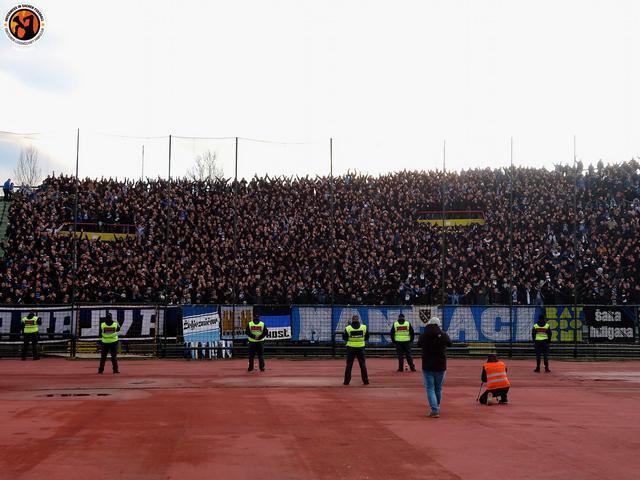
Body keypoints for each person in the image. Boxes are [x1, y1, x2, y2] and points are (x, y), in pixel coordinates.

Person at [417, 317, 452, 418]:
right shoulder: (443, 334)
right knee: (438, 388)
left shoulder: (424, 335)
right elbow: (450, 343)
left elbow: (418, 344)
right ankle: (437, 406)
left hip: (427, 365)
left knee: (430, 388)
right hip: (441, 365)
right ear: (438, 324)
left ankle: (434, 410)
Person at [342, 314, 369, 385]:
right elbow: (367, 337)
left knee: (349, 365)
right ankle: (365, 381)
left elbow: (344, 338)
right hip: (361, 347)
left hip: (350, 347)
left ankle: (346, 381)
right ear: (358, 319)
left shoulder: (348, 328)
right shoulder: (364, 327)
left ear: (352, 320)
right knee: (363, 365)